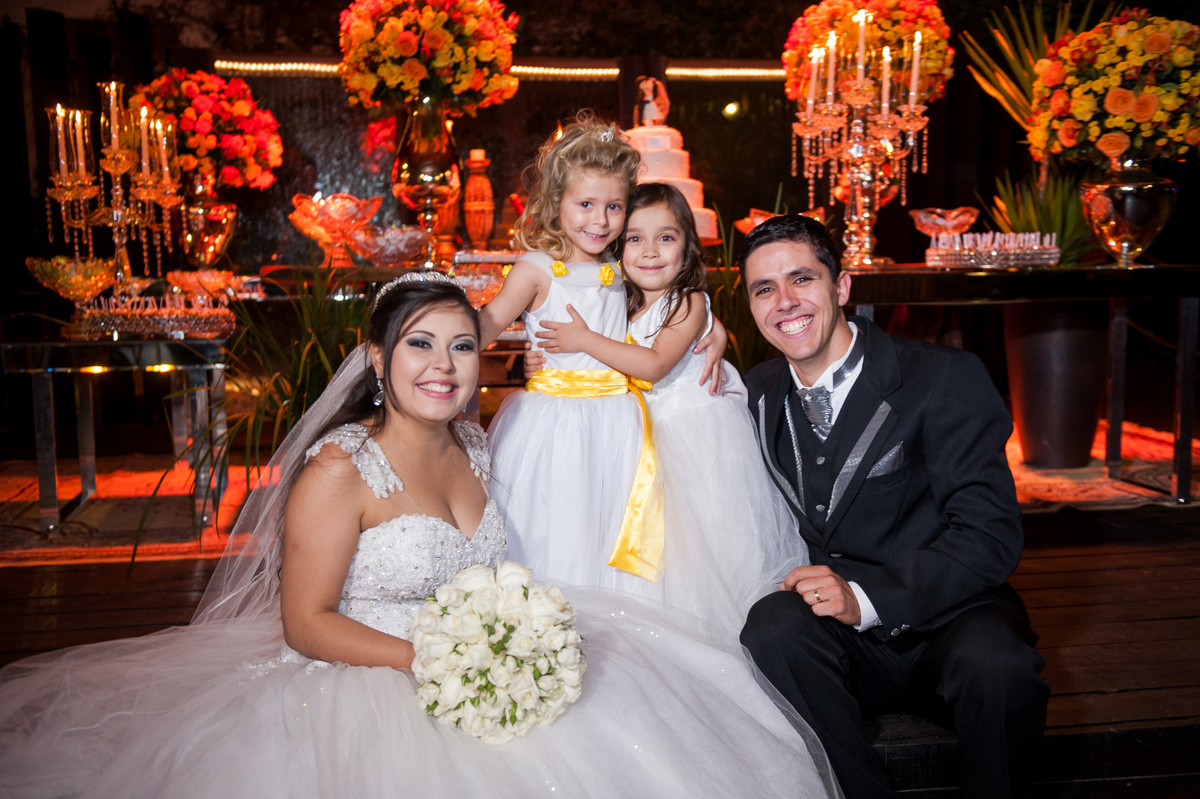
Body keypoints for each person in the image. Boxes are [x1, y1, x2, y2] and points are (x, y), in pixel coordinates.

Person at [0, 273, 841, 799]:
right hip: (367, 674)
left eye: (465, 345)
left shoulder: (478, 440)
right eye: (420, 345)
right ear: (376, 359)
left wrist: (714, 333)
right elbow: (306, 621)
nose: (444, 364)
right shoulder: (339, 467)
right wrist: (444, 661)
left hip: (488, 655)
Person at [734, 214, 1050, 799]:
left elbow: (989, 536)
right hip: (844, 648)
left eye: (801, 279)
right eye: (764, 289)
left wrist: (869, 598)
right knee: (771, 629)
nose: (785, 302)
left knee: (1002, 666)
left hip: (949, 618)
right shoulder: (753, 394)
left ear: (842, 286)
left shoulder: (943, 378)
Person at [532, 182, 810, 633]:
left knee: (702, 558)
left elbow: (655, 365)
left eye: (666, 237)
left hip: (693, 444)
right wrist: (545, 356)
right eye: (636, 238)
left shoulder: (688, 300)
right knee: (657, 566)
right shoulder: (622, 301)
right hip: (641, 443)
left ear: (687, 246)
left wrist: (583, 339)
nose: (650, 252)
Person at [480, 115, 722, 599]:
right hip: (552, 423)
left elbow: (664, 313)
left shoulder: (620, 267)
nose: (600, 220)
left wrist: (717, 329)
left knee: (606, 529)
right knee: (553, 526)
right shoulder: (535, 268)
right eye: (585, 204)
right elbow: (487, 323)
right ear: (556, 202)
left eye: (614, 207)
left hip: (617, 423)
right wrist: (438, 339)